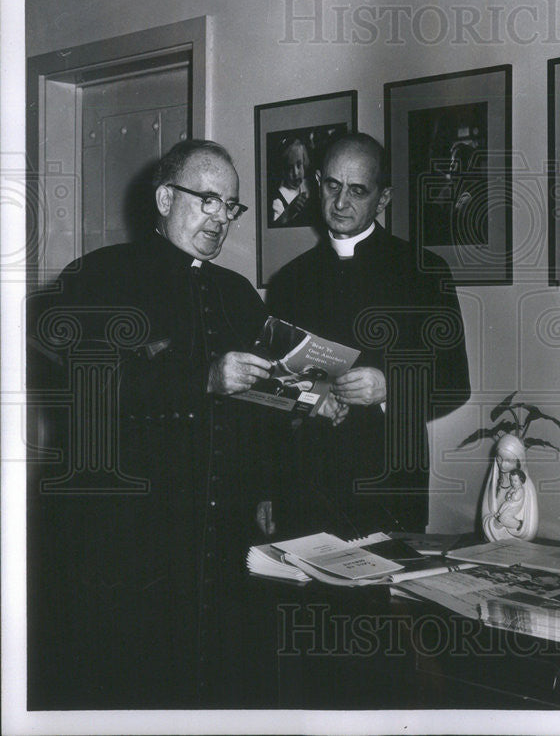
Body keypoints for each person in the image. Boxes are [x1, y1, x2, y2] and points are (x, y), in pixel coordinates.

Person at [27, 139, 293, 707]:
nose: (222, 219)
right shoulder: (101, 276)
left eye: (232, 206)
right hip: (130, 535)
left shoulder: (238, 294)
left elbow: (255, 409)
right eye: (209, 200)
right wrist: (201, 378)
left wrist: (303, 403)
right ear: (166, 197)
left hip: (220, 530)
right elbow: (88, 386)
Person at [268, 133, 471, 535]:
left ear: (382, 199)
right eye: (332, 186)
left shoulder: (423, 271)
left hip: (389, 487)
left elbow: (454, 383)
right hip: (305, 485)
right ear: (316, 183)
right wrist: (308, 400)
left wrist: (389, 387)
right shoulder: (289, 280)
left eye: (357, 191)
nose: (341, 202)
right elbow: (272, 387)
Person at [481, 434, 539, 541]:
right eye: (499, 459)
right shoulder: (493, 484)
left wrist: (513, 527)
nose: (502, 465)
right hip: (493, 541)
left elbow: (530, 528)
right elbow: (485, 515)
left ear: (519, 462)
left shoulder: (527, 487)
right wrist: (493, 524)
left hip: (517, 544)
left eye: (509, 461)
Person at [270, 137, 313, 226]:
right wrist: (288, 212)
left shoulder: (310, 185)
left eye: (299, 164)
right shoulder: (277, 201)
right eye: (289, 168)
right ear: (282, 170)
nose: (296, 173)